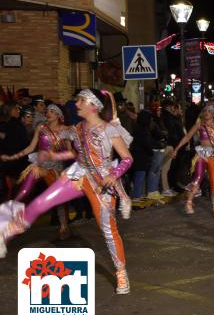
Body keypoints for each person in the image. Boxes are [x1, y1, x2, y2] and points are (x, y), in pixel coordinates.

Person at [0, 89, 134, 294]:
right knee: (41, 202)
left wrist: (113, 175)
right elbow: (74, 152)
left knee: (108, 230)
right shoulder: (77, 128)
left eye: (81, 100)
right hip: (77, 175)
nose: (76, 104)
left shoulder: (109, 130)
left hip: (101, 182)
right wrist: (53, 154)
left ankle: (121, 272)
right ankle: (5, 232)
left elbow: (127, 158)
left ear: (93, 105)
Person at [0, 104, 72, 239]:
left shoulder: (65, 131)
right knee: (23, 191)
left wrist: (55, 156)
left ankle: (64, 225)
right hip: (38, 166)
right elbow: (31, 148)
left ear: (59, 115)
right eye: (48, 110)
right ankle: (6, 220)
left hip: (55, 168)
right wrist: (12, 157)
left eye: (52, 111)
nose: (48, 113)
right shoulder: (41, 127)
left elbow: (71, 153)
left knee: (58, 198)